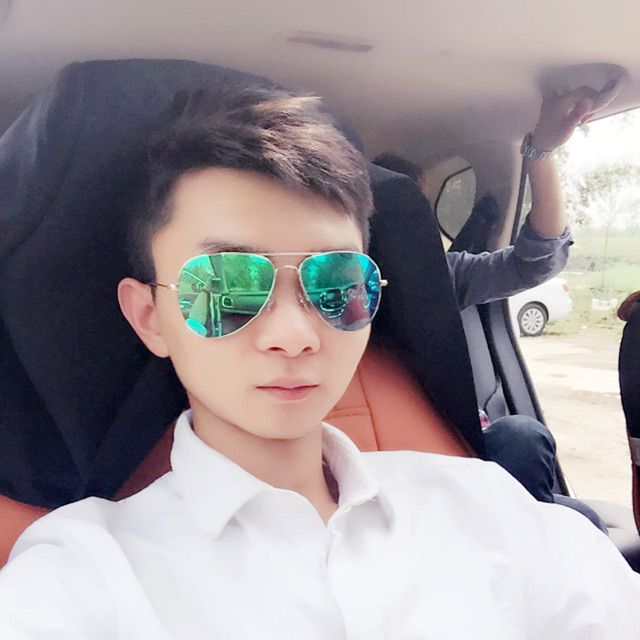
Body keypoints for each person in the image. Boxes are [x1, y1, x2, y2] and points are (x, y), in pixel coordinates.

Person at [1, 85, 639, 639]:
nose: (294, 334)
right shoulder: (88, 571)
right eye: (226, 286)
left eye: (336, 282)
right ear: (149, 317)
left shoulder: (484, 504)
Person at [374, 88, 610, 532]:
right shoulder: (331, 283)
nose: (409, 230)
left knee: (534, 453)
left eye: (416, 214)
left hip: (463, 447)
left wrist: (540, 151)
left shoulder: (441, 275)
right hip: (388, 463)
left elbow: (536, 261)